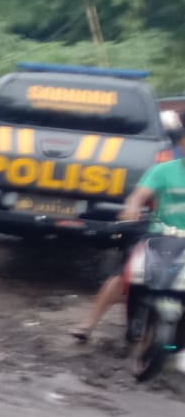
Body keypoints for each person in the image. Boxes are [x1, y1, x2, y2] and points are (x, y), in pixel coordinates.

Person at [75, 115, 185, 341]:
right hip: (158, 234)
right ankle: (88, 325)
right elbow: (138, 195)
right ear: (182, 143)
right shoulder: (163, 170)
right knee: (124, 274)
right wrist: (132, 208)